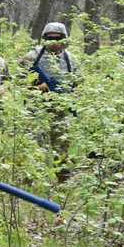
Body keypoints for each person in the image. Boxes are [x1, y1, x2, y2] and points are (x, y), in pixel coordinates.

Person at [19, 21, 79, 177]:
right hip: (36, 112)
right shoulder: (32, 57)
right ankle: (30, 181)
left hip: (60, 112)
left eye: (57, 38)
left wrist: (71, 99)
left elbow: (79, 84)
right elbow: (15, 83)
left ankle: (62, 182)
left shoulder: (70, 59)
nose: (53, 41)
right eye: (50, 38)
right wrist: (37, 88)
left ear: (63, 39)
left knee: (62, 149)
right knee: (33, 148)